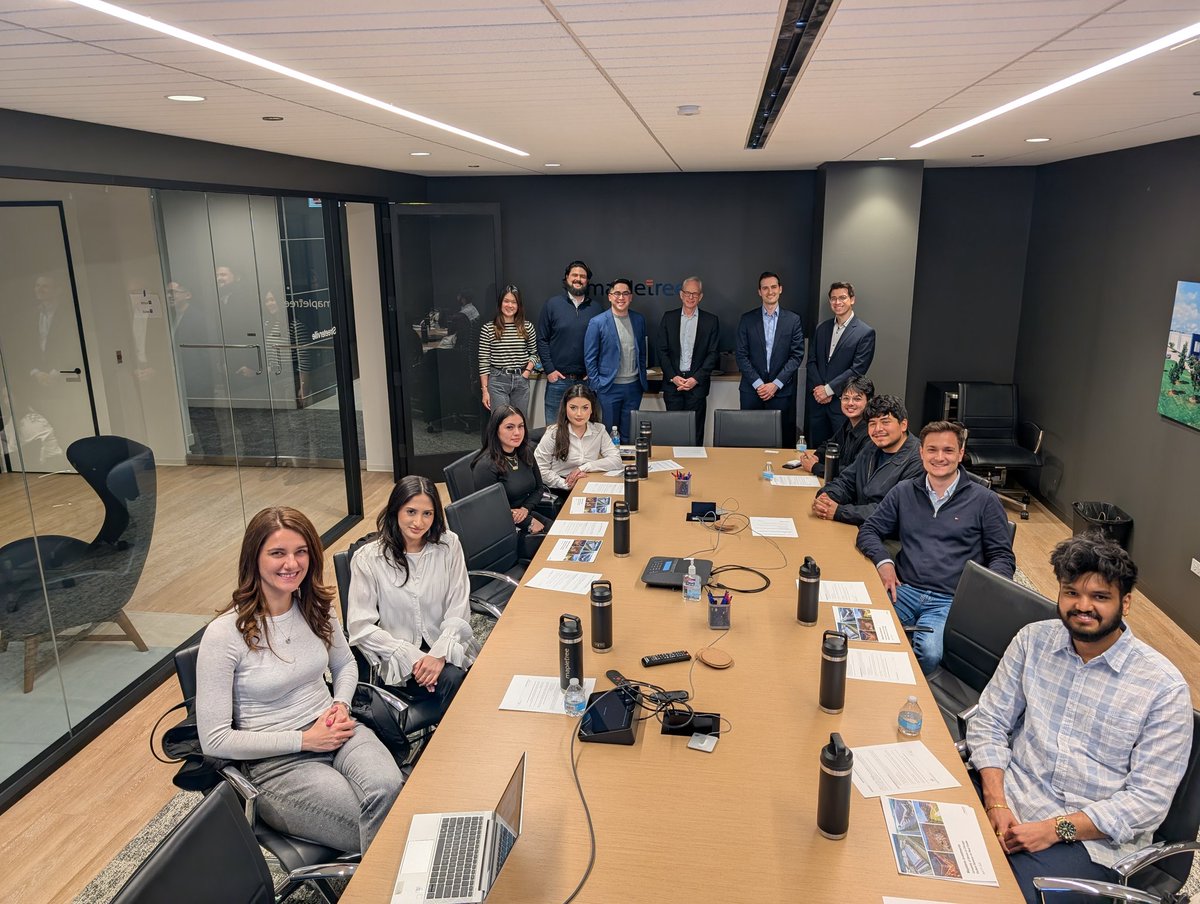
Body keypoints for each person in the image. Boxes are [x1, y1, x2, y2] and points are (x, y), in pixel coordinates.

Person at [967, 534, 1192, 904]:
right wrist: (996, 801)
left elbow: (1147, 801)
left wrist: (1054, 829)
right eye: (1071, 593)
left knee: (994, 896)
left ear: (1125, 603)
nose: (1083, 606)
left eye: (1100, 597)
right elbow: (990, 720)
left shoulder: (1163, 688)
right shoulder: (1032, 641)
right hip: (1008, 795)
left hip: (1087, 841)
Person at [196, 506, 403, 855]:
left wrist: (340, 704)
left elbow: (345, 664)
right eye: (278, 553)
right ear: (254, 558)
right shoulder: (224, 635)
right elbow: (215, 741)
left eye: (301, 551)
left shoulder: (315, 607)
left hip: (336, 730)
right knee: (379, 825)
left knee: (390, 791)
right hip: (278, 763)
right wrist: (306, 739)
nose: (291, 563)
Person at [856, 419, 1015, 673]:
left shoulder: (985, 501)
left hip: (949, 600)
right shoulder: (903, 491)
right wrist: (884, 563)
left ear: (961, 454)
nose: (939, 457)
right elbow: (869, 530)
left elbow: (1002, 556)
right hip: (903, 590)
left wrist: (981, 597)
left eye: (948, 450)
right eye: (932, 450)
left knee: (929, 653)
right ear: (921, 452)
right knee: (858, 631)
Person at [346, 477, 477, 725]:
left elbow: (458, 605)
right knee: (457, 685)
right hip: (399, 657)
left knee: (474, 682)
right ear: (396, 510)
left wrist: (439, 654)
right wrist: (413, 657)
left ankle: (451, 738)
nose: (419, 522)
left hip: (446, 646)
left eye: (427, 513)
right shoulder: (368, 558)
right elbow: (359, 625)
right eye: (411, 512)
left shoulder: (449, 545)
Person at [812, 393, 922, 525]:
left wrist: (840, 512)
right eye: (872, 424)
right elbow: (846, 481)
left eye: (885, 422)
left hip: (885, 534)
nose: (878, 429)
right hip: (859, 526)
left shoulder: (918, 459)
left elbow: (894, 510)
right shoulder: (871, 447)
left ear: (903, 425)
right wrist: (826, 497)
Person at [734, 271, 805, 447]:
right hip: (752, 392)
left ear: (780, 289)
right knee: (749, 440)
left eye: (773, 287)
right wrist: (759, 384)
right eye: (765, 288)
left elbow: (796, 356)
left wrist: (775, 384)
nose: (770, 291)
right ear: (759, 292)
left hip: (781, 392)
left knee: (781, 441)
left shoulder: (793, 320)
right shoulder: (747, 319)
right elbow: (741, 355)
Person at [471, 405, 551, 558]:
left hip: (526, 514)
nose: (517, 433)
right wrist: (528, 522)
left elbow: (539, 488)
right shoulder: (485, 466)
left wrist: (525, 510)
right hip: (503, 529)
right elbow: (490, 510)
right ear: (496, 430)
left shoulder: (525, 451)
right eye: (509, 427)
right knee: (553, 549)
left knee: (564, 535)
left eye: (521, 426)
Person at [806, 281, 876, 446]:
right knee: (816, 449)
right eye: (833, 298)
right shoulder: (822, 328)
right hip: (817, 402)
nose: (837, 302)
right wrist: (820, 390)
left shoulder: (865, 332)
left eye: (842, 298)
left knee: (842, 450)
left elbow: (857, 369)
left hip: (842, 404)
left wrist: (828, 390)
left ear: (852, 299)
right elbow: (812, 361)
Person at [656, 276, 720, 445]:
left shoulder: (711, 321)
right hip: (673, 386)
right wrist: (673, 377)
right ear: (681, 294)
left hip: (696, 387)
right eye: (687, 293)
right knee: (673, 434)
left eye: (695, 293)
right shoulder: (669, 318)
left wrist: (695, 379)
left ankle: (694, 463)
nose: (691, 297)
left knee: (695, 435)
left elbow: (713, 354)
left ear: (701, 296)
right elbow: (662, 351)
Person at [537, 260, 600, 425]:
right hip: (558, 381)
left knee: (587, 428)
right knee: (554, 429)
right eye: (574, 275)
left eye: (582, 276)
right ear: (567, 278)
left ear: (587, 281)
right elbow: (542, 339)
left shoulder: (596, 308)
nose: (578, 279)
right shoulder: (552, 305)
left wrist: (594, 372)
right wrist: (550, 370)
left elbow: (603, 344)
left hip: (586, 381)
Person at [584, 277, 647, 439]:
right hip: (608, 387)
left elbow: (641, 352)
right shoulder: (597, 322)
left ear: (631, 297)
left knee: (629, 435)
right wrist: (597, 385)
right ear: (610, 296)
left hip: (634, 387)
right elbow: (590, 357)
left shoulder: (638, 320)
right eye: (617, 293)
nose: (621, 297)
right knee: (608, 435)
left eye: (625, 293)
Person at [534, 383, 622, 495]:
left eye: (585, 408)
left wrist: (583, 468)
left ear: (591, 409)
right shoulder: (553, 433)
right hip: (560, 488)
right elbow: (539, 469)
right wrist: (566, 484)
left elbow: (616, 460)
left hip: (587, 483)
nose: (579, 414)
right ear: (565, 408)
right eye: (573, 408)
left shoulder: (599, 429)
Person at [478, 285, 538, 416]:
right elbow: (484, 361)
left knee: (519, 420)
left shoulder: (527, 327)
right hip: (498, 381)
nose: (510, 305)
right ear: (500, 303)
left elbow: (534, 353)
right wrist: (485, 391)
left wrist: (527, 372)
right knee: (500, 421)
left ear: (519, 305)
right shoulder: (488, 329)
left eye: (514, 302)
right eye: (506, 301)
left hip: (521, 380)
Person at [799, 375, 873, 479]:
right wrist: (816, 457)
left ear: (869, 402)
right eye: (846, 398)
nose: (850, 403)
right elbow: (830, 444)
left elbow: (854, 471)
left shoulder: (872, 432)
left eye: (857, 399)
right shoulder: (849, 423)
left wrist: (815, 467)